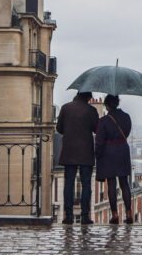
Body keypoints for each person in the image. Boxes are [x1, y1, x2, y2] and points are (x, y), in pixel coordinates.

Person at [56, 91, 99, 225]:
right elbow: (96, 129)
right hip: (86, 150)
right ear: (88, 97)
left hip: (69, 150)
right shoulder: (91, 110)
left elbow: (59, 128)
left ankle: (68, 216)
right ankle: (85, 216)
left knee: (68, 183)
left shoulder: (65, 107)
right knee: (86, 184)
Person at [95, 94, 133, 224]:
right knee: (124, 183)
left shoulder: (103, 121)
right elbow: (126, 133)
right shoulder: (127, 117)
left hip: (109, 151)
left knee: (111, 184)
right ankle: (129, 214)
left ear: (106, 105)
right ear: (117, 103)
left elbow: (99, 141)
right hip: (123, 150)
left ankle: (115, 215)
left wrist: (98, 154)